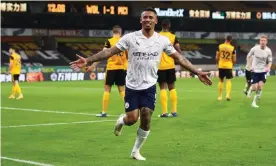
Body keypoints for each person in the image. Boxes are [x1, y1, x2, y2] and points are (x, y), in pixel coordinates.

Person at [70, 7, 212, 161]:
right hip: (131, 86)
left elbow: (179, 58)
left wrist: (197, 72)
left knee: (146, 116)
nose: (148, 20)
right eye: (145, 17)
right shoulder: (130, 38)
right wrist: (88, 60)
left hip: (149, 86)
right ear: (141, 20)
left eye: (151, 17)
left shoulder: (162, 40)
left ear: (156, 21)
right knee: (132, 119)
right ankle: (121, 120)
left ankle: (135, 151)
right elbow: (108, 52)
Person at [86, 25, 128, 117]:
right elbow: (128, 56)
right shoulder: (124, 41)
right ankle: (129, 110)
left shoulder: (109, 41)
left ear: (113, 32)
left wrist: (93, 66)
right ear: (120, 33)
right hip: (122, 68)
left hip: (111, 68)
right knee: (122, 90)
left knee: (107, 89)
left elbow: (102, 55)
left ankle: (104, 112)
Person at [157, 19, 182, 118]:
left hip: (160, 66)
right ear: (169, 26)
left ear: (161, 26)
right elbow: (178, 51)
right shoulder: (173, 37)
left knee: (162, 87)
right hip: (170, 65)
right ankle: (174, 111)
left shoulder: (157, 36)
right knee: (172, 87)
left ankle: (164, 112)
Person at [246, 35, 272, 108]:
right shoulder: (254, 49)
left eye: (264, 40)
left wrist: (268, 67)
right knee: (254, 87)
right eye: (261, 40)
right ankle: (251, 89)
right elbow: (248, 56)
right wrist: (250, 65)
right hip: (255, 71)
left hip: (263, 71)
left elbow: (270, 61)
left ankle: (254, 102)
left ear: (266, 42)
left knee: (260, 87)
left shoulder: (268, 51)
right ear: (259, 41)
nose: (263, 42)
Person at [216, 35, 236, 101]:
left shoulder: (220, 46)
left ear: (225, 39)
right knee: (228, 80)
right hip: (229, 66)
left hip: (221, 65)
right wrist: (232, 64)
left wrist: (218, 63)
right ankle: (227, 94)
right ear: (231, 40)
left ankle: (220, 96)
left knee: (221, 80)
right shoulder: (232, 48)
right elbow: (234, 59)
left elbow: (216, 57)